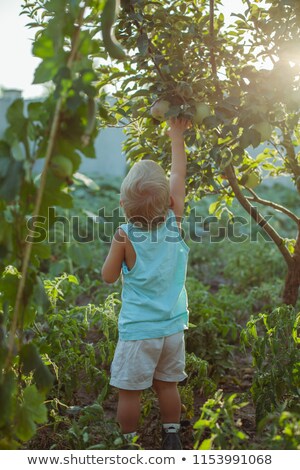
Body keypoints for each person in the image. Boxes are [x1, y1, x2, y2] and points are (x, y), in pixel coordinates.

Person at [101, 117, 190, 450]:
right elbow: (178, 176)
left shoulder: (124, 235)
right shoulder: (173, 220)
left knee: (130, 391)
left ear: (123, 206)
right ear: (168, 202)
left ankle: (128, 443)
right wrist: (176, 136)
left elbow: (108, 277)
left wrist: (119, 250)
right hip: (172, 328)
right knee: (168, 386)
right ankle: (171, 435)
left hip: (140, 330)